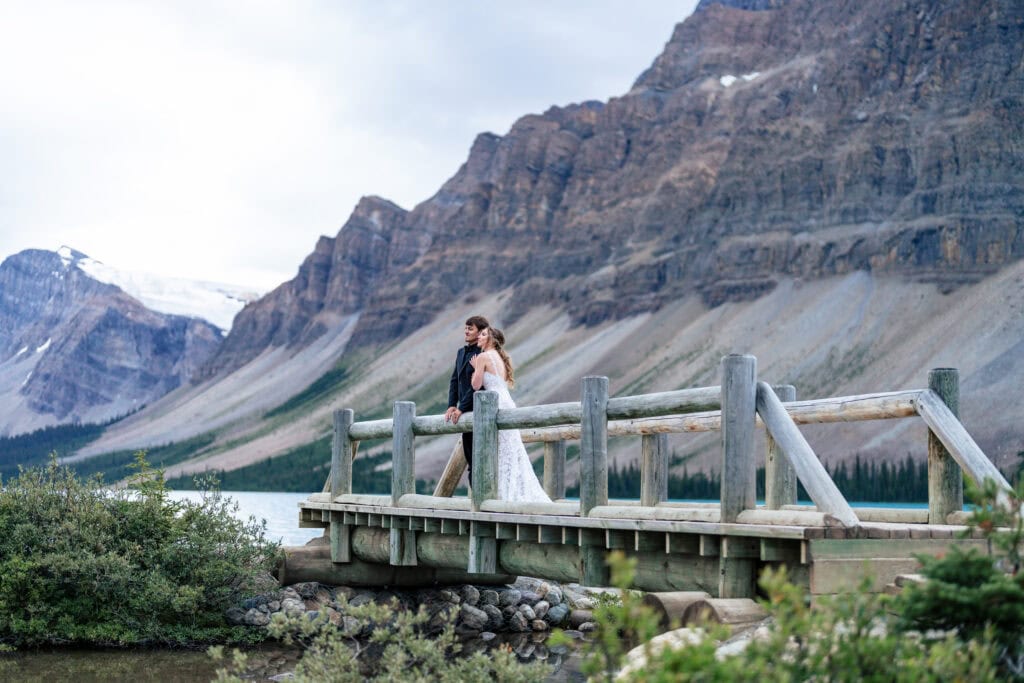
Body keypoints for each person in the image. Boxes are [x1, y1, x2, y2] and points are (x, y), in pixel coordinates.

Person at [469, 327, 551, 503]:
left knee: (499, 449)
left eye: (483, 334)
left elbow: (476, 385)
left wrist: (476, 368)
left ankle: (502, 494)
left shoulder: (483, 357)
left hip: (493, 404)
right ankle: (513, 490)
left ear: (491, 339)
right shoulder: (501, 358)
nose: (479, 337)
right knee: (512, 448)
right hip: (506, 402)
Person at [445, 315, 490, 484]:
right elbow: (454, 380)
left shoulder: (483, 353)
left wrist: (461, 407)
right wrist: (451, 405)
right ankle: (476, 504)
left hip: (479, 411)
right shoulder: (461, 352)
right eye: (465, 328)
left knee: (481, 459)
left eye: (470, 328)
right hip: (464, 414)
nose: (466, 331)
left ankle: (481, 504)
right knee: (471, 460)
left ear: (480, 333)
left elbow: (476, 386)